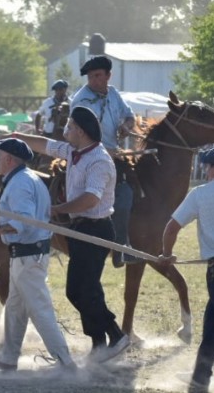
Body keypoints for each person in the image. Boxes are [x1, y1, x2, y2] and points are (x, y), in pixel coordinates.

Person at [12, 106, 130, 364]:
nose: (65, 130)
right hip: (81, 229)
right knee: (84, 290)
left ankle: (116, 334)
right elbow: (46, 145)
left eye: (69, 126)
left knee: (80, 290)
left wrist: (56, 210)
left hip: (96, 230)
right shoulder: (73, 150)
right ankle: (99, 344)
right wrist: (18, 138)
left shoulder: (99, 160)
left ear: (81, 131)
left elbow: (90, 199)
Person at [0, 138, 76, 372]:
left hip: (27, 256)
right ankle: (8, 359)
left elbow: (23, 221)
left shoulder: (20, 183)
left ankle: (65, 363)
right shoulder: (28, 178)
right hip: (25, 255)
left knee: (40, 310)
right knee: (14, 307)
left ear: (9, 159)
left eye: (0, 157)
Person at [70, 55, 137, 267]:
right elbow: (74, 135)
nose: (94, 81)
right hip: (89, 156)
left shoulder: (114, 93)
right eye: (90, 77)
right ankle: (119, 248)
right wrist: (107, 150)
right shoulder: (81, 100)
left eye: (98, 76)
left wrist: (126, 126)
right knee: (123, 193)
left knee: (140, 183)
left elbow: (130, 116)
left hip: (112, 156)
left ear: (109, 75)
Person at [159, 148, 214, 392]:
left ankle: (200, 380)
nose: (206, 171)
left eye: (208, 166)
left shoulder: (201, 195)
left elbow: (172, 228)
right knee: (212, 323)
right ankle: (200, 377)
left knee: (213, 325)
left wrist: (166, 254)